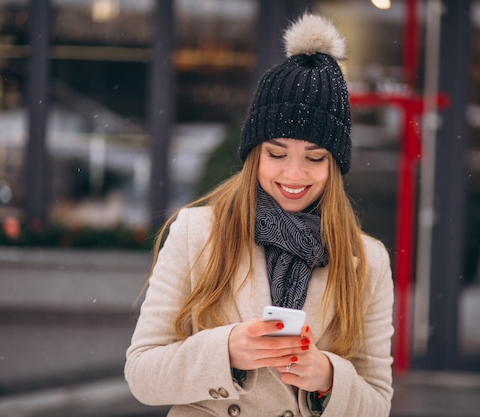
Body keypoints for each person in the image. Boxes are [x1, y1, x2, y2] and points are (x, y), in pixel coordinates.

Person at [125, 13, 394, 417]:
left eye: (315, 158)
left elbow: (378, 402)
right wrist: (226, 351)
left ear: (334, 166)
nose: (293, 174)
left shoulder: (367, 261)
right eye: (276, 153)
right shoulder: (197, 233)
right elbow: (142, 374)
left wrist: (328, 379)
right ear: (254, 154)